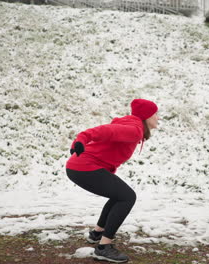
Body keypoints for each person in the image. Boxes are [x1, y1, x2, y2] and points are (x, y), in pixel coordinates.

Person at [66, 99, 159, 263]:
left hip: (81, 166)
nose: (158, 118)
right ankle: (103, 248)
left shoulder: (133, 127)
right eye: (155, 114)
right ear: (146, 117)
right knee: (127, 197)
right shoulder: (134, 130)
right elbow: (104, 131)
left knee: (119, 195)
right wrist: (81, 139)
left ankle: (97, 234)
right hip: (84, 167)